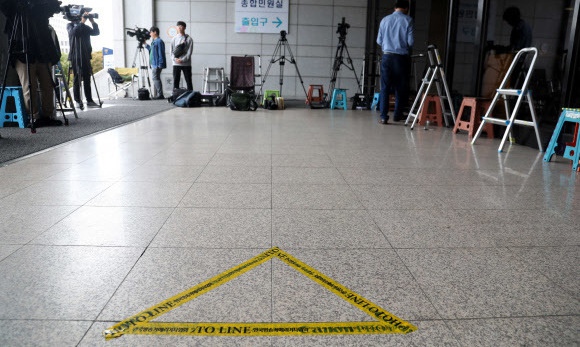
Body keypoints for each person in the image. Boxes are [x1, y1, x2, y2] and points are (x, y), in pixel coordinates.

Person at [0, 0, 63, 127]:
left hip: (42, 49)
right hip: (22, 48)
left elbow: (54, 7)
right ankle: (34, 116)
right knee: (29, 86)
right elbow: (5, 7)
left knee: (48, 84)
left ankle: (48, 115)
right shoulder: (13, 5)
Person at [376, 0, 414, 124]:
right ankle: (397, 115)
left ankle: (383, 116)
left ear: (395, 8)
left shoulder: (384, 20)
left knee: (385, 87)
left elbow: (379, 41)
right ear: (406, 8)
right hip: (400, 59)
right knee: (400, 88)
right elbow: (411, 42)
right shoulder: (408, 20)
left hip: (386, 57)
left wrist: (389, 44)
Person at [67, 9, 100, 109]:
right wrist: (82, 22)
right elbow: (74, 33)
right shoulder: (70, 25)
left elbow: (96, 32)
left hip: (85, 55)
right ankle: (78, 100)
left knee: (87, 78)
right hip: (75, 55)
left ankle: (89, 100)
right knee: (77, 78)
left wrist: (92, 21)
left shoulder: (85, 27)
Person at [170, 21, 194, 91]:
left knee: (188, 81)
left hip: (186, 64)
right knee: (176, 81)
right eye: (178, 26)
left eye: (181, 26)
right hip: (176, 63)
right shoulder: (174, 39)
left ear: (184, 28)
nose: (179, 27)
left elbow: (189, 52)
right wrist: (175, 59)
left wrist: (182, 60)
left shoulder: (189, 39)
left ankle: (190, 96)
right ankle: (175, 96)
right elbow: (171, 52)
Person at [146, 26, 166, 99]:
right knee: (156, 78)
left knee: (155, 78)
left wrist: (160, 64)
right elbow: (151, 50)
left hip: (157, 64)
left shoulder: (159, 41)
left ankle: (160, 94)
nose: (150, 34)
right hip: (154, 63)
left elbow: (161, 53)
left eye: (151, 32)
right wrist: (145, 44)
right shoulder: (154, 41)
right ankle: (160, 94)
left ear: (155, 32)